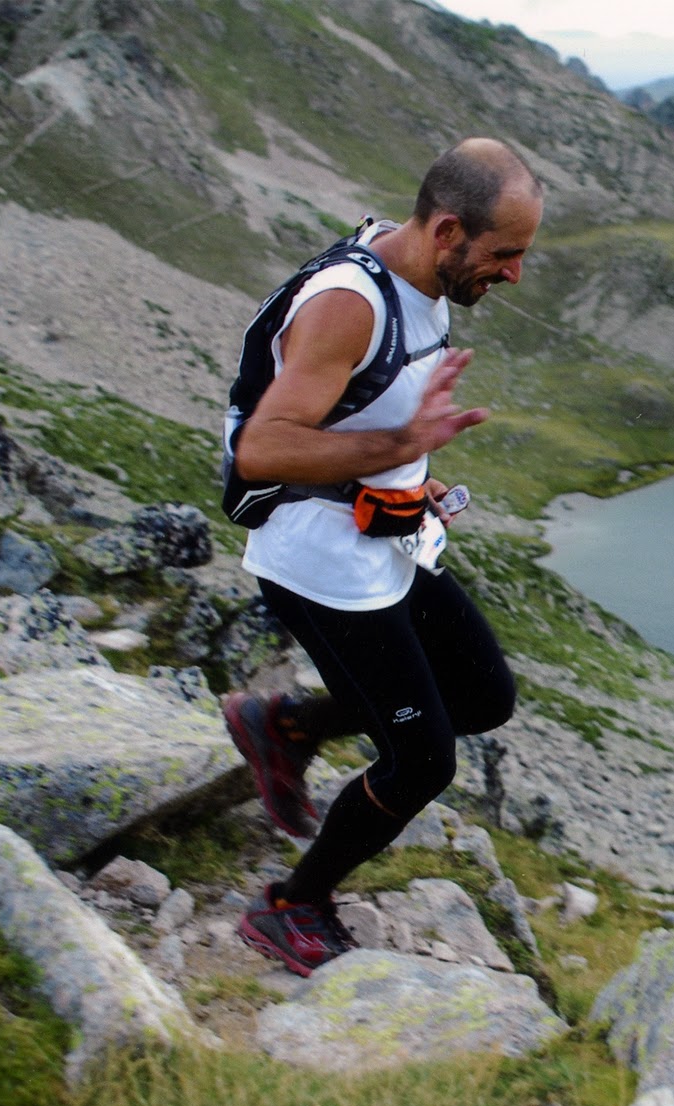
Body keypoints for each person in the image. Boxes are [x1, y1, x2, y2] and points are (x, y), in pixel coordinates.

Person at [222, 138, 542, 977]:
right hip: (318, 561)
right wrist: (401, 444)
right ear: (446, 230)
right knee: (423, 760)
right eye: (505, 254)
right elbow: (264, 449)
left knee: (481, 695)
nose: (513, 275)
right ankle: (291, 906)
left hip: (386, 533)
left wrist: (414, 473)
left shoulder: (422, 278)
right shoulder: (349, 304)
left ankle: (284, 724)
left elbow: (364, 413)